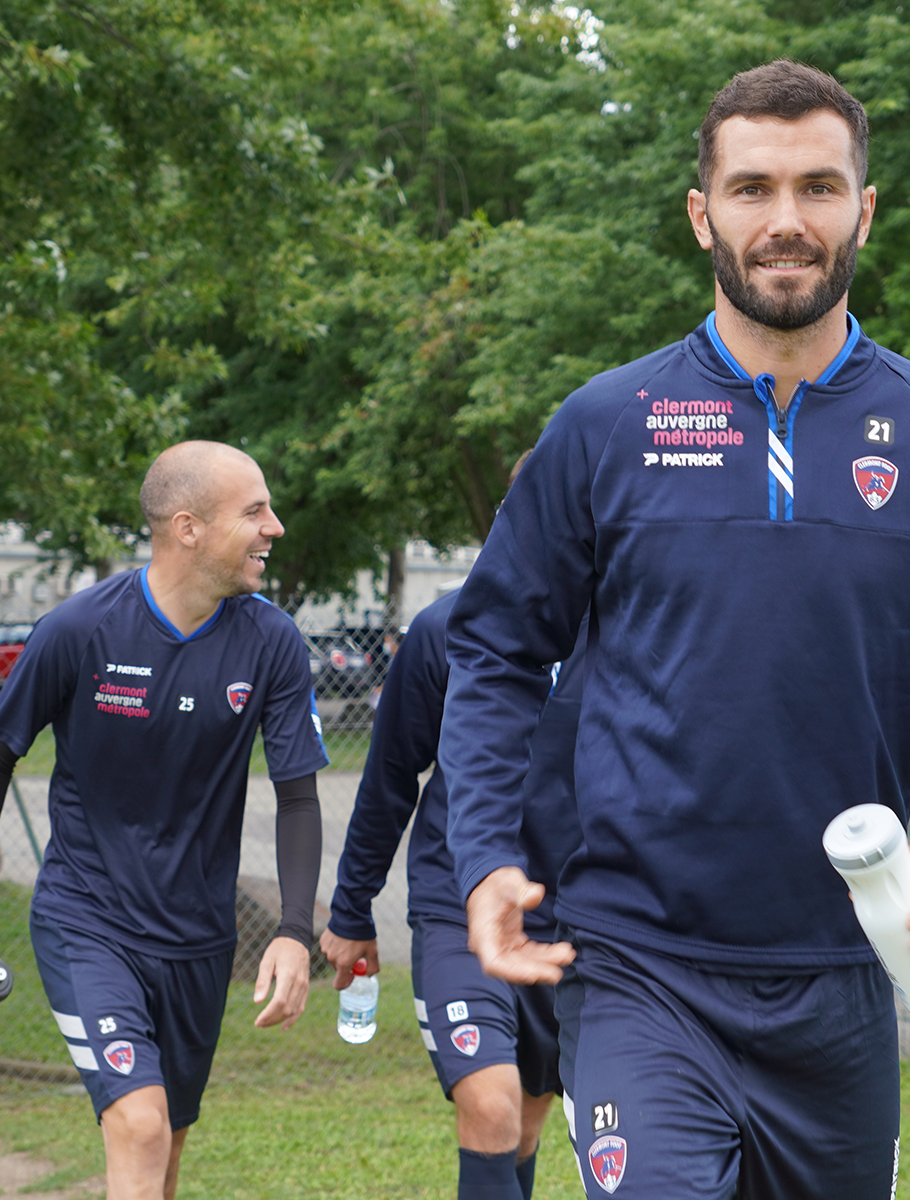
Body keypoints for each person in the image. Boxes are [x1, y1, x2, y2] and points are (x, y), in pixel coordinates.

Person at [438, 60, 910, 1199]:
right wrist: (485, 854)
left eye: (818, 187)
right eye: (752, 189)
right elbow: (494, 653)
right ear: (703, 214)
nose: (786, 220)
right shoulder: (606, 424)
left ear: (864, 210)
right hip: (637, 962)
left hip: (846, 967)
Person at [0, 441, 328, 1200]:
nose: (275, 527)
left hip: (200, 939)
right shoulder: (80, 629)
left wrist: (293, 930)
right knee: (140, 1126)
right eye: (254, 511)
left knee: (163, 1148)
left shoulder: (271, 642)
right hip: (89, 923)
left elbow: (299, 797)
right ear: (187, 528)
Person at [323, 451, 585, 1200]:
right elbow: (389, 779)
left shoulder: (623, 635)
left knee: (524, 1124)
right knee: (491, 1105)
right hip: (460, 906)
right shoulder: (444, 630)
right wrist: (351, 909)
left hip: (575, 915)